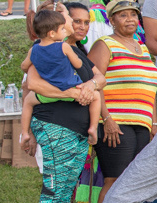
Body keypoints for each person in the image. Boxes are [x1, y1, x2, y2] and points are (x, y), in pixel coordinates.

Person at [22, 1, 105, 203]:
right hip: (55, 125)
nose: (74, 21)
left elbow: (100, 78)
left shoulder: (74, 50)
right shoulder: (43, 51)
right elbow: (33, 84)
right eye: (70, 16)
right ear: (57, 26)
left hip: (78, 130)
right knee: (53, 189)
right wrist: (72, 93)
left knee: (66, 188)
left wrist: (90, 86)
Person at [87, 0, 157, 203]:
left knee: (132, 182)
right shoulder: (105, 45)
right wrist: (106, 118)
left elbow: (150, 90)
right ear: (112, 20)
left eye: (133, 14)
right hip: (115, 124)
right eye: (122, 15)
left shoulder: (142, 47)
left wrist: (153, 122)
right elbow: (94, 84)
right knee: (114, 179)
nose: (129, 19)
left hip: (142, 124)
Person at [21, 9, 100, 147]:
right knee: (96, 96)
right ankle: (93, 127)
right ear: (52, 33)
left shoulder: (34, 50)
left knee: (28, 101)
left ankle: (25, 132)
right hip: (71, 89)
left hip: (46, 95)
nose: (65, 31)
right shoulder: (63, 46)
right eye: (62, 29)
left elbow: (24, 66)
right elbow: (78, 64)